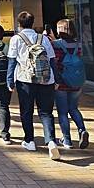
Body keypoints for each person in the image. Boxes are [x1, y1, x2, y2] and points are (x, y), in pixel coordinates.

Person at [7, 11, 60, 160]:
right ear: (32, 22)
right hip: (46, 79)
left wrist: (9, 81)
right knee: (46, 112)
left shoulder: (16, 39)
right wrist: (56, 79)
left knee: (26, 110)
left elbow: (12, 61)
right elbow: (51, 60)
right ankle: (51, 142)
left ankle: (29, 140)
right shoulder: (43, 38)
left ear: (19, 24)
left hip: (25, 80)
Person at [52, 19, 89, 149]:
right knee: (73, 108)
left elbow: (54, 61)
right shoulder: (78, 45)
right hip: (76, 82)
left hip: (61, 82)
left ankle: (67, 140)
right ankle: (82, 130)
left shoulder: (55, 44)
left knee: (62, 112)